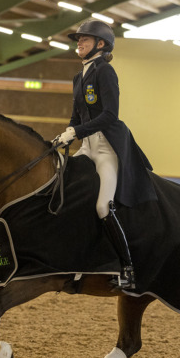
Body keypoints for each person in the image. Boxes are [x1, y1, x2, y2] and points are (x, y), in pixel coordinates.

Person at [56, 20, 156, 290]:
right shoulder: (79, 76)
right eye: (78, 39)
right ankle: (77, 261)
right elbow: (76, 115)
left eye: (85, 39)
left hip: (106, 147)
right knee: (67, 194)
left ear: (100, 44)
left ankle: (127, 268)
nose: (79, 42)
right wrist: (67, 133)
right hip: (86, 146)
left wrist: (75, 131)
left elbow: (110, 115)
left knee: (102, 206)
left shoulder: (105, 72)